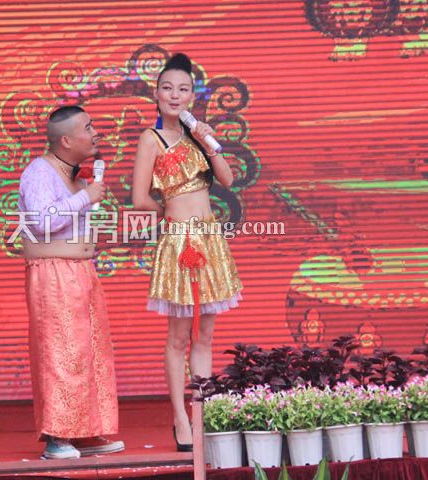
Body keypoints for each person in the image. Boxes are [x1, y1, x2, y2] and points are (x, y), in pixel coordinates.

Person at [131, 54, 243, 451]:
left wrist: (210, 142)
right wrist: (170, 215)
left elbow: (227, 180)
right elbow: (139, 198)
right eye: (167, 88)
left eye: (183, 89)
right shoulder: (151, 138)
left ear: (192, 96)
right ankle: (180, 418)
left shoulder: (198, 135)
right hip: (179, 241)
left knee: (206, 334)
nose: (174, 95)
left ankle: (203, 414)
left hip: (210, 238)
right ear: (156, 94)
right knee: (178, 337)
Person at [19, 106, 125, 459]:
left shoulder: (75, 175)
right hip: (53, 275)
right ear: (66, 140)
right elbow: (41, 222)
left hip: (81, 272)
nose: (95, 133)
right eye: (88, 128)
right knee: (59, 352)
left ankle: (84, 431)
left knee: (89, 352)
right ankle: (57, 435)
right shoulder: (39, 172)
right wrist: (85, 198)